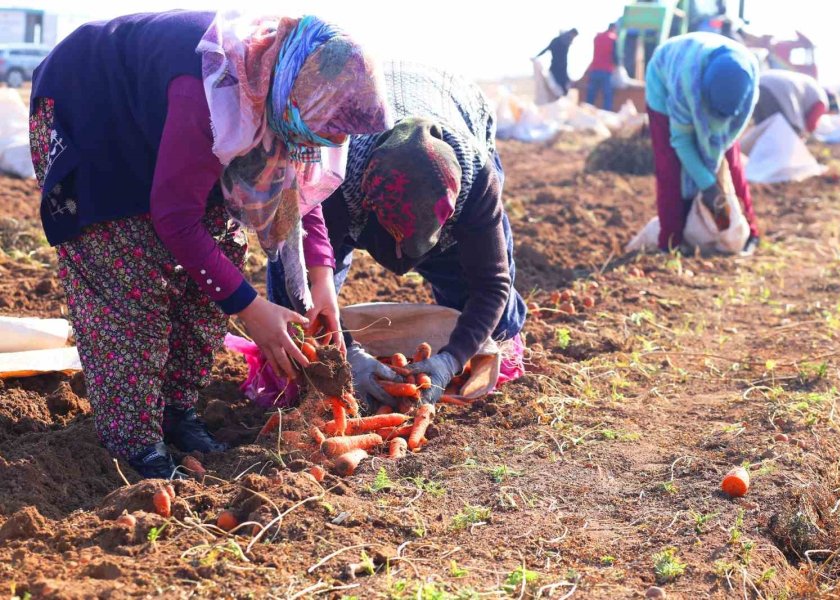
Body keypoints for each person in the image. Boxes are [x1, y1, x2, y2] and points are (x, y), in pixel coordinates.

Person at [29, 10, 390, 479]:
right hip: (93, 114)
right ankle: (135, 445)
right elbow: (175, 217)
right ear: (302, 94)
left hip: (163, 129)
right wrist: (251, 309)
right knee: (129, 275)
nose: (331, 141)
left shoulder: (282, 93)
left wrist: (323, 287)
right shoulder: (214, 91)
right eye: (326, 129)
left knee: (222, 249)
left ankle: (176, 412)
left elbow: (299, 191)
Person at [268, 62, 527, 409]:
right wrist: (348, 354)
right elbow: (297, 269)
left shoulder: (476, 183)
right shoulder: (337, 178)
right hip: (367, 151)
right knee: (300, 307)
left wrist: (450, 360)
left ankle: (488, 353)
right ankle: (298, 372)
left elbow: (492, 284)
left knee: (493, 317)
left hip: (451, 95)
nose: (402, 261)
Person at [645, 32, 760, 253]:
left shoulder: (749, 77)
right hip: (664, 76)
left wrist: (715, 177)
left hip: (708, 79)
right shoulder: (684, 82)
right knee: (669, 164)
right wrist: (708, 185)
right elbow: (681, 140)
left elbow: (730, 135)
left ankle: (750, 232)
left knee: (732, 159)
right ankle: (671, 242)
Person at [753, 70, 828, 136]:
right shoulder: (822, 100)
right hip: (779, 89)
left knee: (762, 130)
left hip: (759, 82)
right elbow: (811, 124)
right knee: (788, 131)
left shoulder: (812, 87)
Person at [585, 23, 618, 110]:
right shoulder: (612, 38)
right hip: (605, 70)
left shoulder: (597, 37)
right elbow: (614, 55)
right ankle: (607, 113)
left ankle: (587, 111)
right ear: (613, 28)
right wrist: (617, 65)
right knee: (607, 94)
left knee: (591, 93)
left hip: (595, 68)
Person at [536, 28, 579, 94]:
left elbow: (546, 49)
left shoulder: (559, 40)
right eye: (573, 36)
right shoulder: (563, 41)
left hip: (558, 67)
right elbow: (547, 49)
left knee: (560, 87)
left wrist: (537, 56)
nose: (573, 38)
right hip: (558, 68)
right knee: (561, 88)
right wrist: (537, 56)